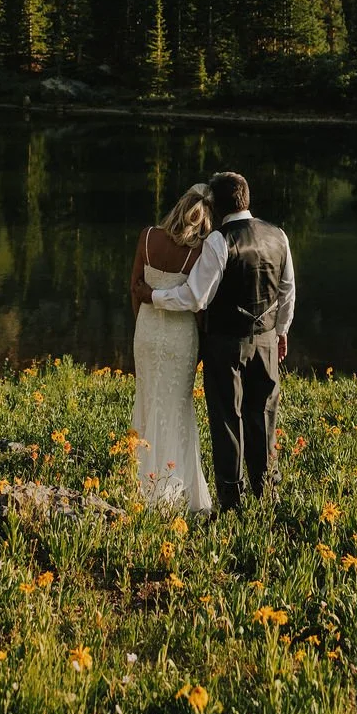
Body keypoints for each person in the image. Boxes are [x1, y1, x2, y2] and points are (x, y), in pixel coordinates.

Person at [134, 171, 295, 512]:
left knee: (227, 419)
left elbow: (195, 298)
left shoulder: (220, 241)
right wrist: (281, 332)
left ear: (219, 206)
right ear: (246, 198)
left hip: (226, 343)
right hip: (265, 340)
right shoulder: (277, 235)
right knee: (263, 414)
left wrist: (155, 296)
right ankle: (267, 493)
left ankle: (231, 501)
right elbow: (287, 290)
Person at [129, 183, 213, 514]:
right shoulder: (200, 252)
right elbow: (200, 309)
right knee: (178, 409)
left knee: (148, 401)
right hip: (181, 336)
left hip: (147, 331)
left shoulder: (148, 237)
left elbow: (135, 288)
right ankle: (177, 489)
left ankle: (143, 483)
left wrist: (144, 325)